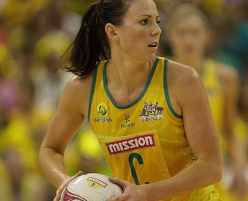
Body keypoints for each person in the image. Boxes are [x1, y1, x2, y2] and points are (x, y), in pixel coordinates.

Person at [38, 0, 223, 200]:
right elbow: (50, 149)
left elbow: (211, 166)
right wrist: (65, 182)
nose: (157, 30)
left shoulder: (184, 81)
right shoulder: (82, 89)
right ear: (113, 32)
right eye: (144, 22)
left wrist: (147, 193)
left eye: (157, 21)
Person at [164, 4, 248, 200]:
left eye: (194, 32)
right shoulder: (157, 75)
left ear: (206, 36)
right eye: (182, 33)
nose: (188, 40)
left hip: (210, 173)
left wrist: (240, 165)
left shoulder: (226, 77)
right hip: (170, 175)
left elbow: (231, 130)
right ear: (170, 36)